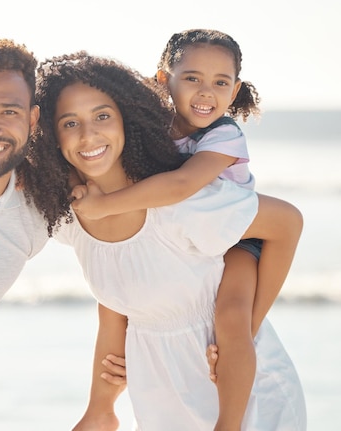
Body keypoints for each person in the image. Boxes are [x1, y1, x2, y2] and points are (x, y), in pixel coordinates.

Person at [20, 52, 306, 430]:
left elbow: (287, 222)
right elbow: (115, 310)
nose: (88, 135)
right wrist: (100, 409)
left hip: (247, 405)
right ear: (49, 136)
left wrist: (249, 327)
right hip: (160, 401)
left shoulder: (182, 205)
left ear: (127, 119)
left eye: (103, 116)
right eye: (70, 122)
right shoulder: (73, 219)